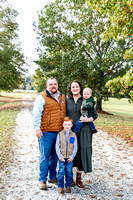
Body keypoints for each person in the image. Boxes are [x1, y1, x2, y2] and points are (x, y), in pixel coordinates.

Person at [32, 77, 66, 190]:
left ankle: (52, 177)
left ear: (57, 85)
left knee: (55, 156)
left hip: (59, 132)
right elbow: (36, 114)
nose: (53, 86)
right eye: (51, 84)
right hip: (46, 132)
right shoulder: (41, 97)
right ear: (47, 85)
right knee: (44, 156)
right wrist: (37, 128)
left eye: (55, 84)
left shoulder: (62, 97)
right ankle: (42, 180)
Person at [66, 80, 98, 188]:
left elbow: (94, 114)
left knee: (81, 152)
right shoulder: (67, 101)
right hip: (71, 133)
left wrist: (89, 120)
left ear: (80, 88)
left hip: (84, 132)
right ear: (70, 89)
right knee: (70, 151)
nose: (75, 88)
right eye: (73, 87)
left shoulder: (86, 100)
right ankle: (69, 177)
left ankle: (78, 178)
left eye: (77, 87)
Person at [56, 117, 77, 194]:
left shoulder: (73, 135)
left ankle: (68, 186)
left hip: (69, 158)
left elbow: (75, 147)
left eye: (69, 124)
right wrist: (60, 156)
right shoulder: (60, 134)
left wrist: (72, 157)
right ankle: (60, 186)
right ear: (63, 125)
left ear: (71, 125)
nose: (67, 126)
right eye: (65, 124)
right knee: (61, 172)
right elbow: (57, 146)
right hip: (62, 157)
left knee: (69, 172)